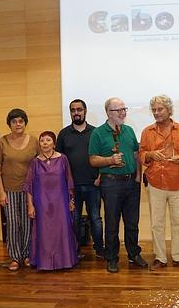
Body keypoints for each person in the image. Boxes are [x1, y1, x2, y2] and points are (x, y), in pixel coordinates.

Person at [89, 98, 148, 273]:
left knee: (132, 223)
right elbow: (92, 159)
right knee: (112, 223)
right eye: (118, 110)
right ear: (108, 112)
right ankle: (112, 258)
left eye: (124, 109)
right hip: (111, 183)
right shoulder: (98, 133)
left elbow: (137, 155)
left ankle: (133, 254)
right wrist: (109, 160)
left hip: (132, 182)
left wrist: (138, 176)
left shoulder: (129, 130)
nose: (123, 112)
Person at [139, 95, 179, 270]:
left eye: (160, 109)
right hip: (155, 182)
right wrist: (150, 155)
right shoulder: (147, 131)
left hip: (177, 182)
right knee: (157, 223)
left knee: (178, 222)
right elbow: (141, 155)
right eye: (154, 110)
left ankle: (178, 256)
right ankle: (160, 257)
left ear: (169, 110)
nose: (156, 113)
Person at [57, 99, 105, 259]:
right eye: (73, 110)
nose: (76, 112)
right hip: (72, 186)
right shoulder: (63, 134)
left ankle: (99, 250)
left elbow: (102, 157)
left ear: (85, 111)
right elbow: (59, 161)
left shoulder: (96, 132)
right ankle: (74, 251)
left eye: (79, 109)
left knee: (96, 218)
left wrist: (100, 176)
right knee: (74, 219)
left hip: (93, 184)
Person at [24, 131, 79, 270]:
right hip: (41, 203)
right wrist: (30, 206)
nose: (45, 143)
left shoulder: (63, 159)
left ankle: (64, 261)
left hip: (61, 202)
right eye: (42, 140)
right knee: (44, 232)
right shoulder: (35, 162)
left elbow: (69, 181)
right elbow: (28, 186)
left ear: (54, 143)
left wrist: (71, 201)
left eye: (48, 140)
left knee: (62, 230)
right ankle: (44, 262)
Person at [0, 108, 39, 271]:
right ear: (9, 124)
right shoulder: (2, 142)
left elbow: (40, 165)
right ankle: (14, 257)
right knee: (12, 223)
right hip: (9, 190)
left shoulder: (34, 141)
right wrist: (1, 192)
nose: (18, 124)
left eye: (21, 121)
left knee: (27, 223)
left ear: (25, 123)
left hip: (29, 191)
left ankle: (26, 255)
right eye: (14, 121)